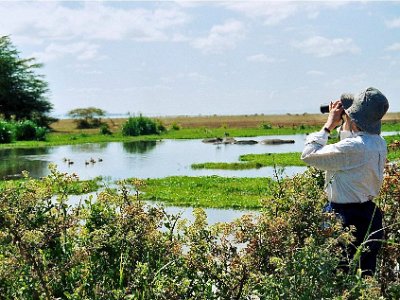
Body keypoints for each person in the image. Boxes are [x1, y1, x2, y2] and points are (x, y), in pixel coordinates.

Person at [301, 87, 389, 276]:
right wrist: (349, 122)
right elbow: (351, 147)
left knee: (337, 276)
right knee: (366, 277)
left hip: (343, 217)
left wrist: (328, 126)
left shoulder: (353, 147)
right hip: (370, 215)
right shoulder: (379, 142)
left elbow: (308, 155)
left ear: (353, 118)